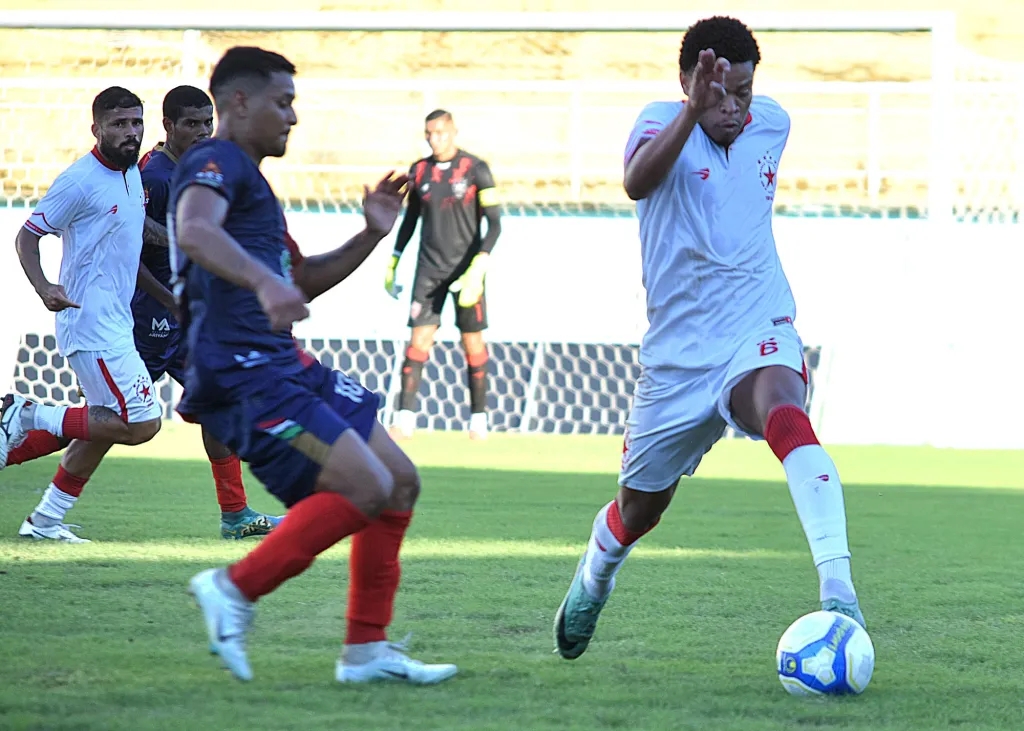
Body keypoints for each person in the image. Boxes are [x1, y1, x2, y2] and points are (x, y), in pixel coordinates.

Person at [553, 16, 866, 662]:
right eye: (722, 95)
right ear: (690, 84)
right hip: (677, 359)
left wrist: (733, 108)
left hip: (758, 322)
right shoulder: (657, 122)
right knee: (638, 509)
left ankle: (839, 591)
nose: (736, 109)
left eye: (744, 92)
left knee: (785, 409)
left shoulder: (771, 124)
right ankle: (595, 572)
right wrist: (691, 115)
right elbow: (637, 180)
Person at [172, 46, 457, 684]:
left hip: (288, 365)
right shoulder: (214, 161)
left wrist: (370, 234)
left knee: (398, 480)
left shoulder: (252, 184)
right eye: (282, 102)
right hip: (244, 374)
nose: (293, 118)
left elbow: (298, 279)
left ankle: (365, 653)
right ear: (238, 102)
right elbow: (194, 231)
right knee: (364, 486)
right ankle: (234, 589)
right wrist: (259, 282)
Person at [0, 87, 167, 543]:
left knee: (103, 426)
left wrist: (181, 252)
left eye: (136, 122)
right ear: (96, 129)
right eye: (119, 124)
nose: (130, 132)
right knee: (142, 424)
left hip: (116, 320)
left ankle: (45, 521)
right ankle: (27, 414)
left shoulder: (132, 173)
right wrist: (43, 288)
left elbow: (130, 236)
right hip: (89, 322)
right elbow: (27, 236)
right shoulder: (79, 180)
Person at [133, 85, 281, 539]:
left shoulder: (205, 170)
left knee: (223, 405)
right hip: (149, 317)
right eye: (191, 124)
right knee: (116, 421)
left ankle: (234, 514)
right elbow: (128, 250)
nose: (201, 132)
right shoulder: (154, 177)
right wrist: (164, 299)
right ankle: (24, 434)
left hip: (189, 318)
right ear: (169, 126)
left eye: (205, 122)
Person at [385, 109, 501, 441]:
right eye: (429, 134)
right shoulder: (419, 171)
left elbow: (495, 223)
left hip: (466, 272)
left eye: (440, 132)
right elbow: (410, 220)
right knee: (418, 342)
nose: (435, 139)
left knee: (473, 343)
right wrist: (394, 259)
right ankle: (404, 417)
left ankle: (479, 420)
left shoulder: (476, 169)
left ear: (453, 132)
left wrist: (480, 265)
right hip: (429, 271)